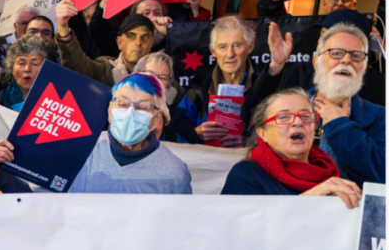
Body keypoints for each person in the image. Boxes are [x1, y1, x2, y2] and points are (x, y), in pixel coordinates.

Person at [247, 21, 385, 185]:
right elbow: (256, 160)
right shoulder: (283, 109)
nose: (347, 60)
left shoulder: (381, 117)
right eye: (336, 53)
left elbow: (383, 175)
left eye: (356, 55)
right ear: (316, 63)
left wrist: (341, 127)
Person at [221, 89, 361, 207]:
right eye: (284, 117)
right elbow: (246, 230)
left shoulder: (333, 175)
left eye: (306, 116)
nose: (298, 122)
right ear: (262, 133)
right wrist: (314, 195)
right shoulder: (246, 174)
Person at [66, 74, 192, 194]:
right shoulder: (80, 149)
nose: (130, 113)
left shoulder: (174, 173)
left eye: (143, 107)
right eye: (122, 104)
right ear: (110, 111)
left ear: (157, 118)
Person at [173, 15, 259, 148]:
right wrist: (195, 134)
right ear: (213, 51)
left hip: (249, 163)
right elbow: (175, 129)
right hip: (206, 164)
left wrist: (251, 142)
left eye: (236, 45)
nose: (230, 54)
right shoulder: (199, 86)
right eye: (222, 47)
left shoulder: (263, 85)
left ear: (250, 46)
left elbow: (280, 130)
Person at [55, 0, 154, 87]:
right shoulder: (104, 71)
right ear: (119, 43)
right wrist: (63, 27)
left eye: (145, 37)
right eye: (131, 36)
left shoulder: (161, 73)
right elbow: (75, 65)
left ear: (151, 43)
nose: (138, 42)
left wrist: (169, 32)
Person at [132, 52, 200, 144]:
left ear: (168, 86)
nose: (156, 81)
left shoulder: (179, 121)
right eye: (149, 74)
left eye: (163, 78)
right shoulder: (121, 108)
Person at [0, 37, 57, 110]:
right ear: (11, 68)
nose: (27, 69)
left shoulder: (56, 101)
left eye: (34, 64)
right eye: (21, 63)